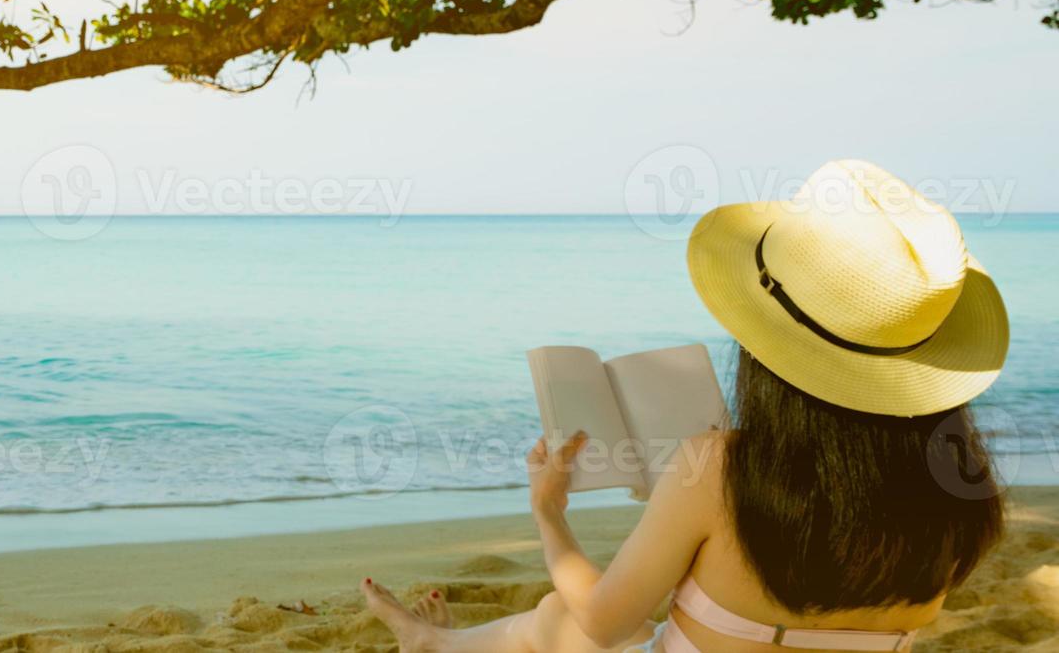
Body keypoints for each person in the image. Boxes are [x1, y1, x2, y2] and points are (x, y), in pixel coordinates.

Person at [360, 160, 1010, 653]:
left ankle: (434, 646)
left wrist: (548, 511)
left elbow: (604, 619)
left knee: (566, 616)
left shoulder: (720, 471)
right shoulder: (959, 491)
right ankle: (436, 645)